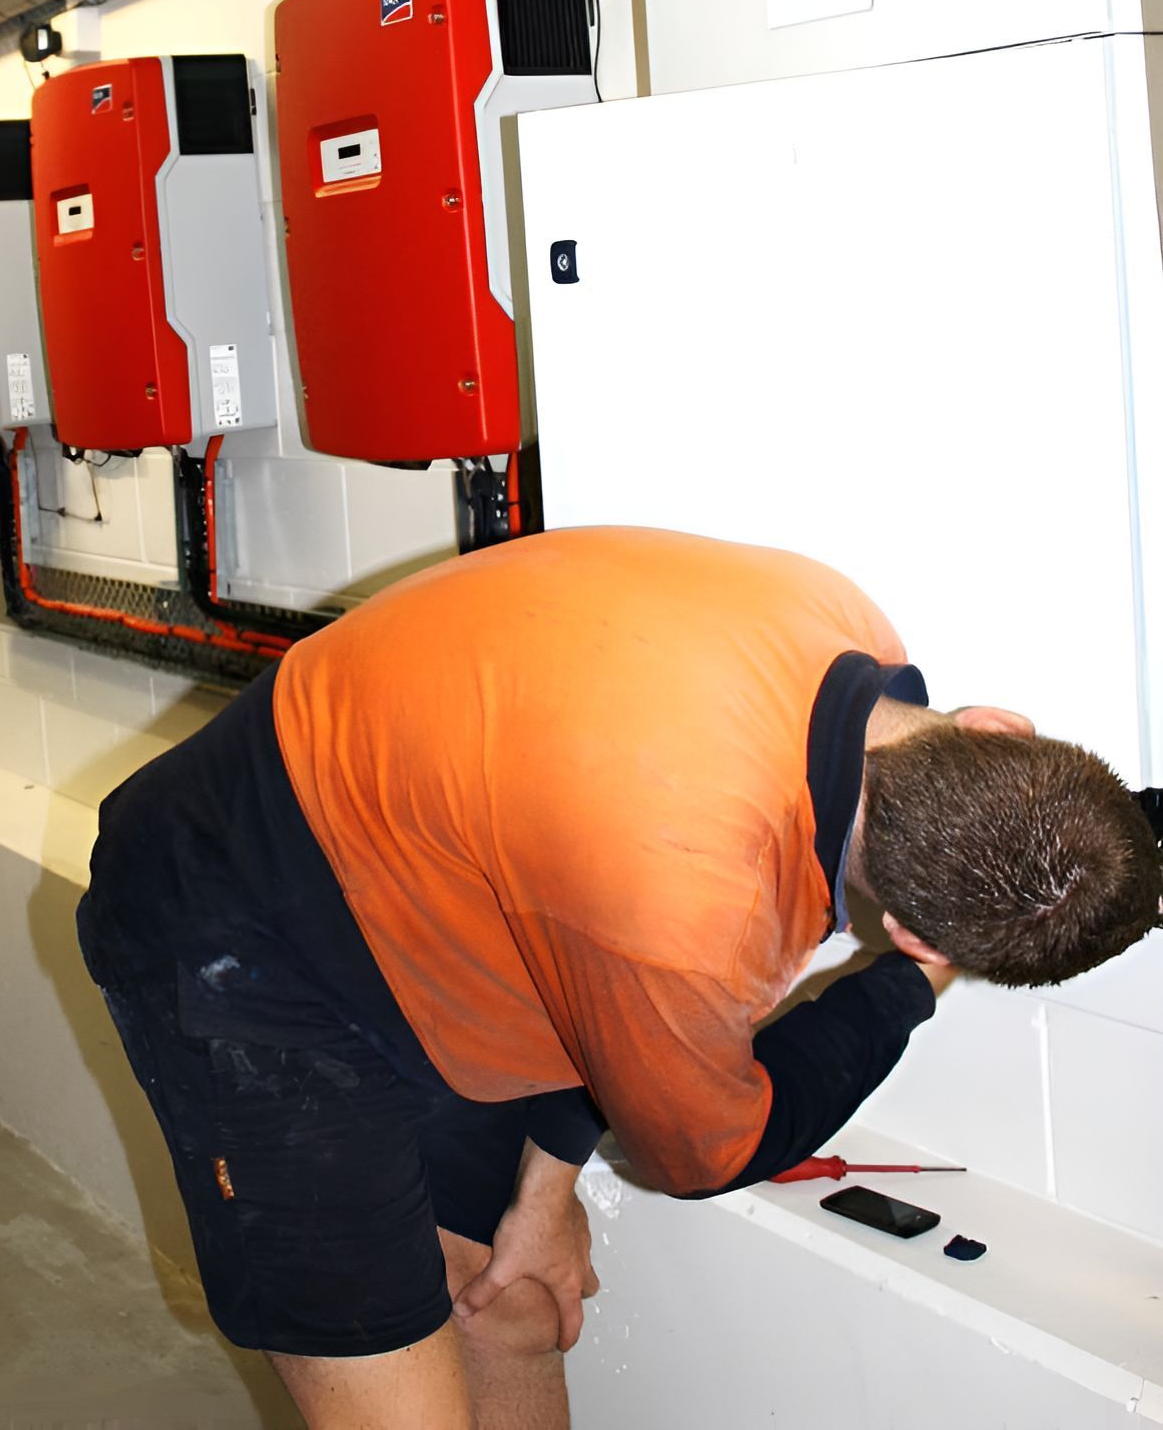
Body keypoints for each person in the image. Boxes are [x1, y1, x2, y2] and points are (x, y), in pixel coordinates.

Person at [76, 527, 1160, 1430]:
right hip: (228, 922)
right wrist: (910, 989)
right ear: (919, 934)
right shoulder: (692, 899)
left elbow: (593, 957)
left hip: (445, 885)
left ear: (990, 726)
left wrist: (543, 1194)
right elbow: (708, 1148)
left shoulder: (835, 617)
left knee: (513, 1302)